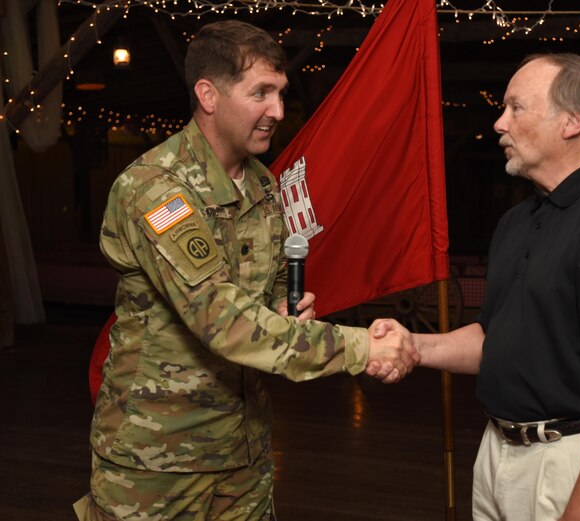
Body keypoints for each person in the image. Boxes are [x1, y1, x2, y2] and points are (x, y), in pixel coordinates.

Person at [78, 20, 416, 521]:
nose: (278, 111)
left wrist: (286, 304)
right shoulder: (155, 188)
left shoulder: (263, 185)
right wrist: (363, 347)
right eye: (261, 92)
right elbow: (224, 319)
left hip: (244, 453)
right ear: (209, 95)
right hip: (159, 461)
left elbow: (272, 284)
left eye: (280, 93)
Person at [371, 53, 580, 521]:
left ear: (573, 121)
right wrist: (411, 344)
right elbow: (494, 341)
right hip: (496, 454)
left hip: (576, 462)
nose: (499, 123)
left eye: (516, 107)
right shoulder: (517, 221)